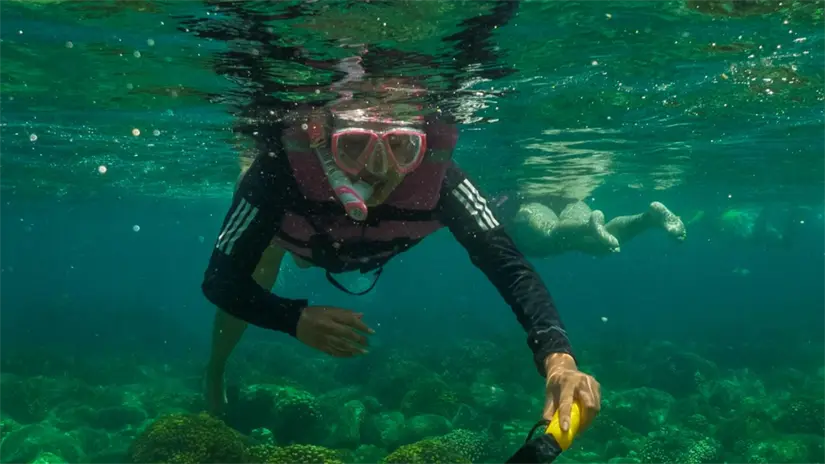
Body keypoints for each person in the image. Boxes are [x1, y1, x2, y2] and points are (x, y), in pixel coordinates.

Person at [200, 78, 601, 437]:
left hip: (351, 244)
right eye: (354, 145)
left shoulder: (443, 184)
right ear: (324, 142)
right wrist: (293, 319)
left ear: (422, 147)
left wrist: (558, 359)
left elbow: (510, 267)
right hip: (296, 238)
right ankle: (216, 368)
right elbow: (220, 279)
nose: (378, 170)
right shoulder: (278, 175)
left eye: (401, 147)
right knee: (262, 262)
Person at [494, 192, 687, 257]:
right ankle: (648, 219)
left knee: (550, 231)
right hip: (571, 197)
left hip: (529, 201)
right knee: (600, 246)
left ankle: (588, 227)